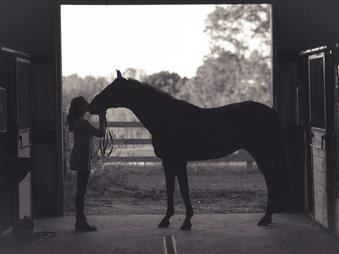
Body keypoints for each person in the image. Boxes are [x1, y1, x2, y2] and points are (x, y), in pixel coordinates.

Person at [66, 96, 106, 232]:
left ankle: (80, 220)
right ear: (80, 107)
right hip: (82, 158)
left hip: (80, 156)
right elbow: (101, 133)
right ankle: (81, 221)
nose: (87, 106)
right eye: (85, 104)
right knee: (81, 191)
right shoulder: (82, 122)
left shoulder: (78, 121)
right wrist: (102, 116)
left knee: (80, 191)